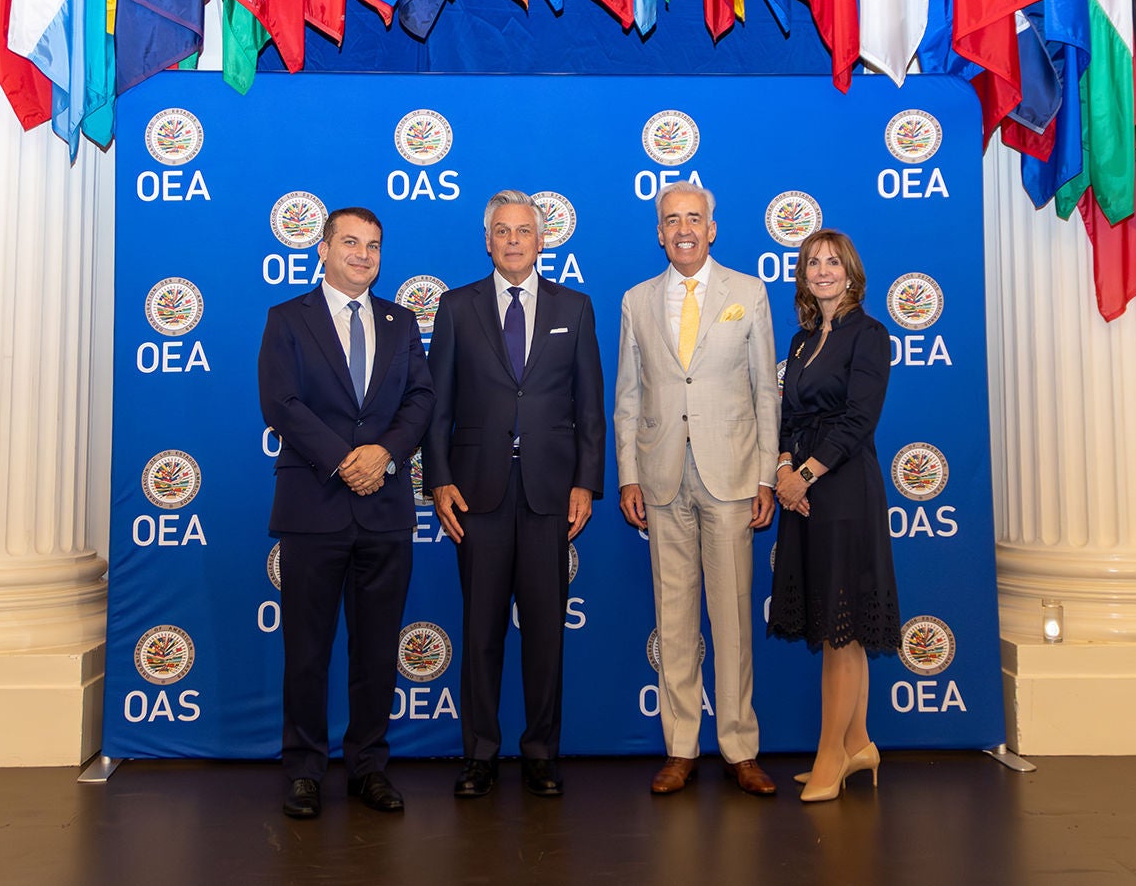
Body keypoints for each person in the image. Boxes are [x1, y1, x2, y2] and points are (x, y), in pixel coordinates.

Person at [424, 190, 605, 799]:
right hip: (477, 494)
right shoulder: (455, 307)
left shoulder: (574, 307)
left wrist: (586, 480)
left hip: (551, 493)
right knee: (480, 631)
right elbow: (438, 406)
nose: (513, 240)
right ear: (487, 240)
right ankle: (479, 754)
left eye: (523, 230)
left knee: (547, 631)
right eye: (501, 231)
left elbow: (590, 407)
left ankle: (540, 753)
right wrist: (439, 478)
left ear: (541, 239)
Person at [257, 206, 435, 821]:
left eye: (374, 246)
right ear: (323, 250)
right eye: (351, 242)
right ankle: (304, 770)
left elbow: (421, 398)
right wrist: (344, 460)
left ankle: (368, 767)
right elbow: (280, 403)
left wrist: (383, 453)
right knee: (307, 650)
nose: (363, 254)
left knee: (377, 650)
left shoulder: (401, 320)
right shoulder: (288, 319)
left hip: (384, 509)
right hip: (315, 506)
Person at [613, 182, 779, 796]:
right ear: (659, 232)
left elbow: (766, 391)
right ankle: (680, 746)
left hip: (732, 476)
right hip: (660, 479)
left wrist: (766, 474)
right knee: (674, 617)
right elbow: (628, 397)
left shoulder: (749, 293)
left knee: (733, 616)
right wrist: (628, 473)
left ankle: (739, 746)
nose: (683, 228)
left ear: (713, 227)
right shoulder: (636, 300)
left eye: (694, 218)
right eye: (671, 220)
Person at [768, 229, 900, 803]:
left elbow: (857, 420)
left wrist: (807, 474)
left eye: (832, 262)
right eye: (812, 262)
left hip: (843, 489)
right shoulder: (801, 342)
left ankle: (830, 755)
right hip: (801, 489)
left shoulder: (869, 335)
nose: (822, 271)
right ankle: (858, 744)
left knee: (841, 629)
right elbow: (789, 416)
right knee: (832, 622)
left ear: (851, 273)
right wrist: (781, 469)